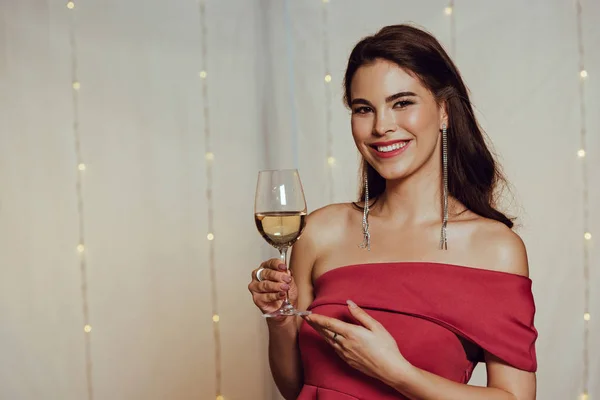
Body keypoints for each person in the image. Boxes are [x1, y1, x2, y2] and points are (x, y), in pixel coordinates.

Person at [248, 24, 538, 400]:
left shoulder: (495, 247)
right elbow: (297, 387)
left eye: (402, 103)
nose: (382, 126)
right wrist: (278, 320)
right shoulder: (322, 231)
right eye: (364, 109)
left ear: (445, 111)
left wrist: (395, 372)